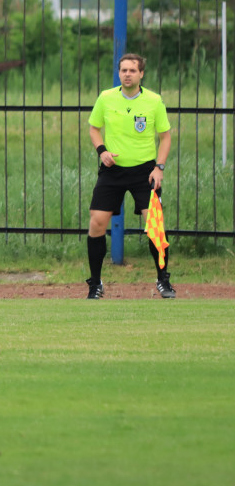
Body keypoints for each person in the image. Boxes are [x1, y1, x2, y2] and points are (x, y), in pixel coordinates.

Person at [86, 52, 174, 300]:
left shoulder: (154, 101)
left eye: (132, 70)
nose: (127, 74)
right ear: (119, 73)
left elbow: (165, 137)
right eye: (123, 70)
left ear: (141, 74)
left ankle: (163, 281)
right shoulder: (106, 98)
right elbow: (94, 128)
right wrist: (101, 151)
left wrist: (159, 167)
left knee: (155, 227)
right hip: (112, 171)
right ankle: (95, 284)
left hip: (144, 172)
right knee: (97, 223)